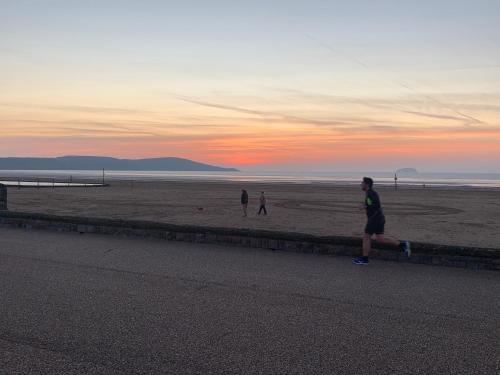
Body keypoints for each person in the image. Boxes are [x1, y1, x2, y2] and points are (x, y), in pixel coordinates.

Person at [353, 177, 411, 265]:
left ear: (367, 184)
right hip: (379, 218)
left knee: (366, 237)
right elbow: (372, 204)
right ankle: (403, 245)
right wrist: (365, 205)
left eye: (362, 182)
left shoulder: (371, 194)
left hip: (374, 219)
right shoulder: (370, 193)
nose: (361, 184)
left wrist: (366, 207)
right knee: (381, 239)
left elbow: (375, 205)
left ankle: (365, 259)